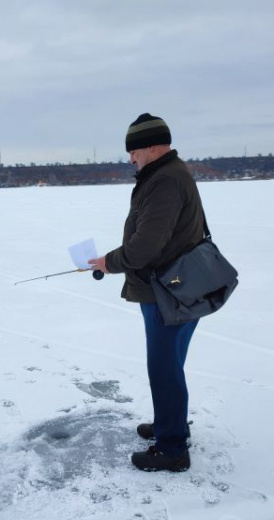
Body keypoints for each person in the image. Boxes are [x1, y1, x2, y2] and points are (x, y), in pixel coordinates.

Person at [89, 113, 205, 473]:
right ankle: (169, 423)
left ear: (153, 146)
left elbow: (146, 247)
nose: (131, 159)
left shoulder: (165, 180)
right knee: (169, 365)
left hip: (167, 291)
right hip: (178, 287)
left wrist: (110, 262)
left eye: (134, 151)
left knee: (164, 368)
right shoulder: (168, 174)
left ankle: (172, 448)